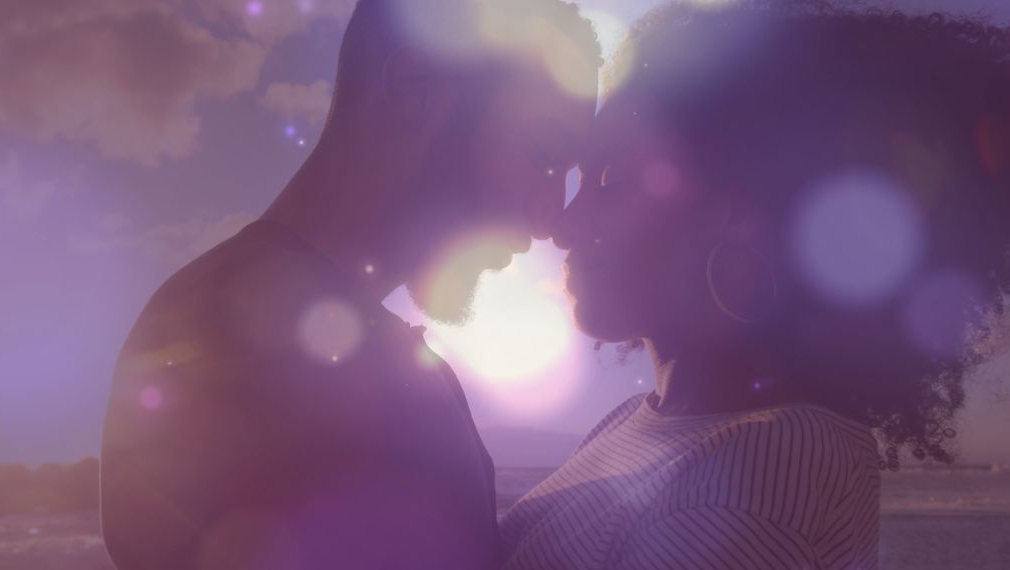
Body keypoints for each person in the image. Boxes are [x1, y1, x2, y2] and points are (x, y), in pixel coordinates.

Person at [501, 1, 1010, 569]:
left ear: (735, 210)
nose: (565, 225)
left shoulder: (748, 476)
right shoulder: (658, 420)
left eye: (611, 181)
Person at [100, 1, 600, 568]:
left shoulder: (363, 354)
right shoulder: (234, 352)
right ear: (414, 89)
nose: (548, 221)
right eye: (544, 156)